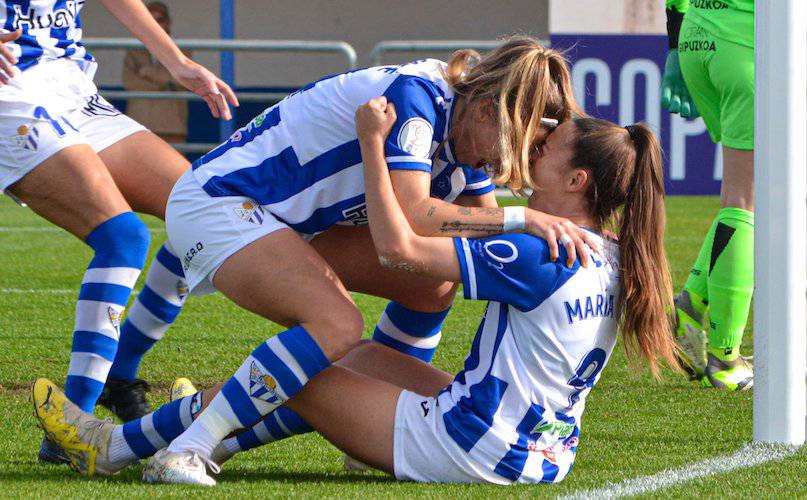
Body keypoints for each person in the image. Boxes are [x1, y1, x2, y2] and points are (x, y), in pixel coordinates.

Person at [32, 103, 679, 485]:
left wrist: (375, 143)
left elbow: (400, 248)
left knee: (308, 367)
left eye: (548, 145)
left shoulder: (537, 247)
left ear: (573, 178)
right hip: (542, 451)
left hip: (476, 446)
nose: (533, 144)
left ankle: (119, 445)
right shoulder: (615, 252)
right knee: (357, 355)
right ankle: (210, 433)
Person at [96, 36, 600, 430]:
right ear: (490, 109)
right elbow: (416, 217)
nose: (510, 160)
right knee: (336, 325)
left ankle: (387, 414)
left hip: (286, 218)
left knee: (432, 285)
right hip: (225, 203)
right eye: (515, 138)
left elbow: (475, 245)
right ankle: (185, 435)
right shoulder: (419, 97)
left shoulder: (471, 126)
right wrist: (526, 218)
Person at [0, 0, 238, 462]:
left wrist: (176, 60)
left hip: (70, 85)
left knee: (201, 210)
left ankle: (119, 375)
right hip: (10, 92)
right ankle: (71, 427)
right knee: (123, 238)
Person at [661, 0, 754, 390]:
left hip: (698, 34)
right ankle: (725, 359)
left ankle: (690, 307)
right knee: (748, 202)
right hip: (747, 42)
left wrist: (674, 45)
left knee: (741, 194)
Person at [123, 1, 190, 144]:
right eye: (151, 20)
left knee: (174, 166)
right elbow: (128, 81)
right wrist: (164, 86)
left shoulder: (182, 50)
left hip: (172, 123)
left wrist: (146, 72)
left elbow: (181, 82)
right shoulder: (133, 49)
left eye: (160, 20)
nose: (157, 25)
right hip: (139, 122)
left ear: (168, 21)